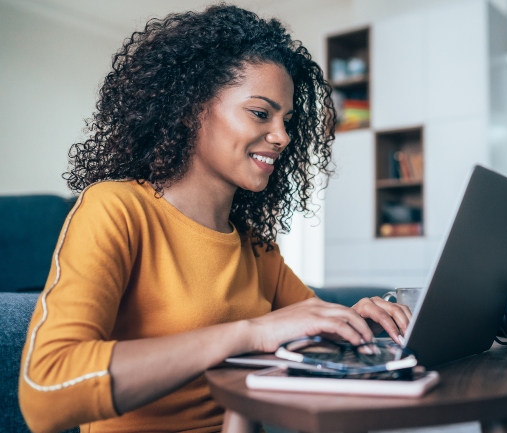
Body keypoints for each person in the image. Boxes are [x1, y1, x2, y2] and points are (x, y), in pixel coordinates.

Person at [18, 5, 411, 433]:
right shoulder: (117, 209)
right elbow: (46, 392)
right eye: (261, 113)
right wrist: (249, 333)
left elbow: (309, 325)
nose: (282, 136)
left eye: (287, 121)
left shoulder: (255, 246)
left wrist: (361, 319)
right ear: (190, 109)